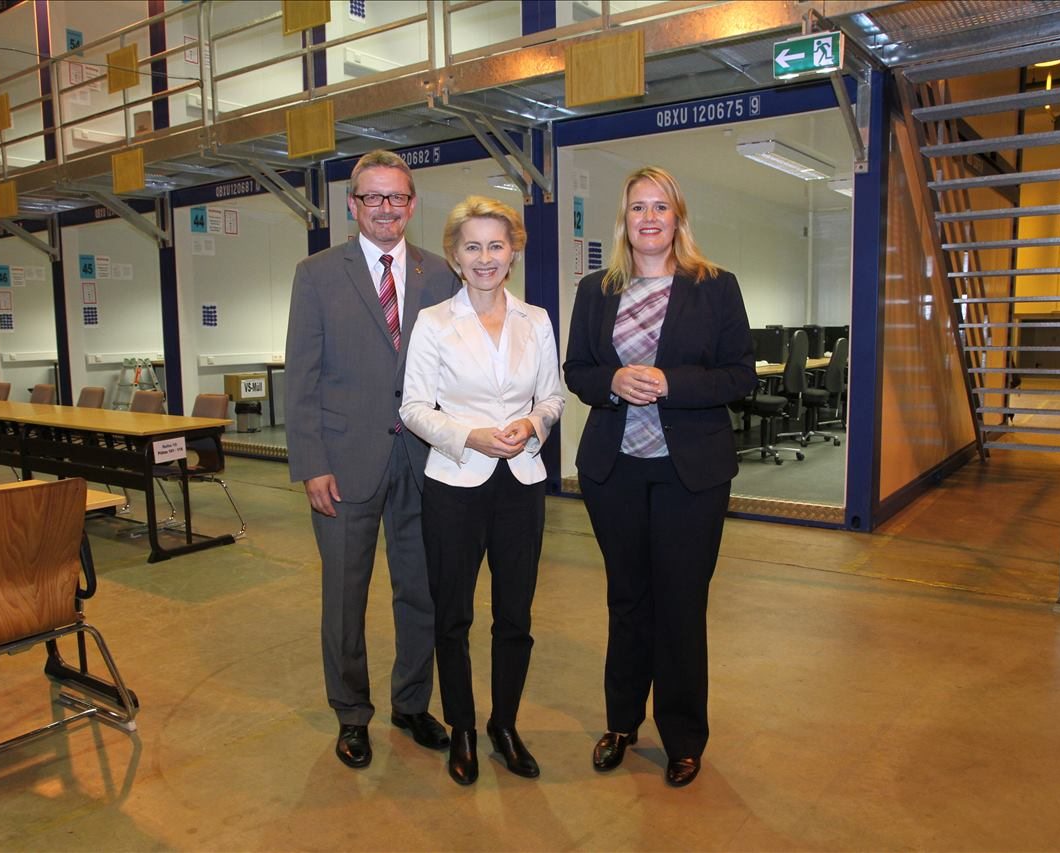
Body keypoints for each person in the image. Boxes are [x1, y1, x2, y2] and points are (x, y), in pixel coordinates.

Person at [563, 165, 756, 788]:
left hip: (690, 474)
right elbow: (577, 370)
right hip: (613, 471)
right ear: (624, 220)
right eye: (638, 207)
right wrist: (613, 382)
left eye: (660, 207)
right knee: (627, 599)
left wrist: (671, 383)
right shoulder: (596, 290)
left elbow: (739, 374)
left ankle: (683, 737)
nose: (649, 218)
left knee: (681, 604)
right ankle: (621, 723)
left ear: (678, 218)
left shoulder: (715, 287)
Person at [284, 149, 459, 770]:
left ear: (412, 204)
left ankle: (412, 703)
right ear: (352, 204)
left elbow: (456, 369)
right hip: (343, 462)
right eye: (373, 197)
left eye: (397, 197)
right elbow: (301, 376)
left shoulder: (442, 274)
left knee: (422, 592)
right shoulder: (316, 274)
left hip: (423, 460)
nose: (386, 208)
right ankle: (351, 714)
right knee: (345, 597)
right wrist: (311, 463)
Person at [399, 196, 564, 785]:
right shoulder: (434, 322)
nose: (485, 257)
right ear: (454, 256)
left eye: (497, 245)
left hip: (521, 483)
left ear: (513, 252)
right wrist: (468, 435)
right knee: (453, 616)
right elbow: (414, 407)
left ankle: (505, 726)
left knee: (515, 615)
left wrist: (533, 424)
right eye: (473, 246)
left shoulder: (536, 320)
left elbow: (553, 396)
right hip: (455, 484)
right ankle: (463, 728)